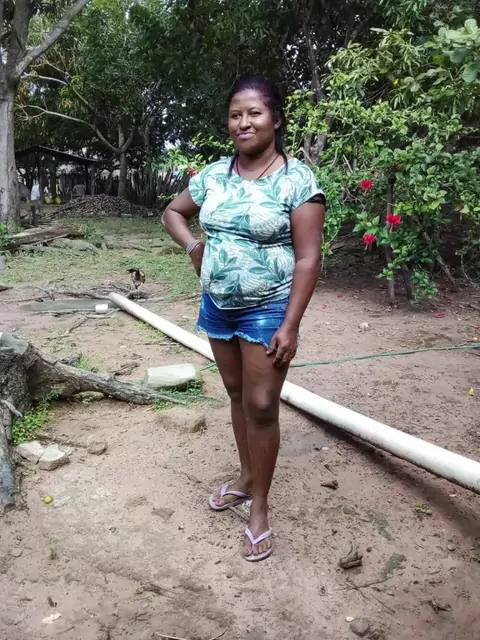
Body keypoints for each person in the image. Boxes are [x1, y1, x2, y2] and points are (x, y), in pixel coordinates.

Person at [162, 76, 326, 562]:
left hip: (269, 307)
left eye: (254, 113)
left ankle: (260, 507)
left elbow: (308, 259)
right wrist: (194, 247)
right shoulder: (215, 174)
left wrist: (290, 325)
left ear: (275, 118)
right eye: (235, 115)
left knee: (261, 404)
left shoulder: (298, 181)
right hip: (217, 306)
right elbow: (173, 212)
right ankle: (246, 476)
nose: (243, 123)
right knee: (236, 394)